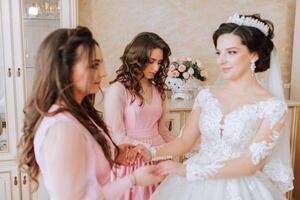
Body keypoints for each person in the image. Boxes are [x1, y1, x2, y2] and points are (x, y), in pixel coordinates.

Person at [144, 14, 293, 200]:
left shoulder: (273, 107)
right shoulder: (206, 96)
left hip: (240, 187)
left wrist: (190, 171)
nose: (221, 60)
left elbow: (250, 163)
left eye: (231, 52)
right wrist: (150, 151)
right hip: (192, 187)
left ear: (254, 55)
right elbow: (184, 142)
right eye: (218, 52)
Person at [18, 26, 163, 200]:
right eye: (94, 65)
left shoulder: (79, 114)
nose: (103, 72)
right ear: (65, 69)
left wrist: (114, 154)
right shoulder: (62, 127)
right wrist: (132, 180)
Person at [103, 32, 176, 200]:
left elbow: (163, 131)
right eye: (151, 62)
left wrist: (185, 146)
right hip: (133, 162)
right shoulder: (118, 90)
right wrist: (147, 151)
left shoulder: (159, 91)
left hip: (159, 158)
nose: (156, 68)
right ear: (137, 58)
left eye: (159, 62)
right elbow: (117, 135)